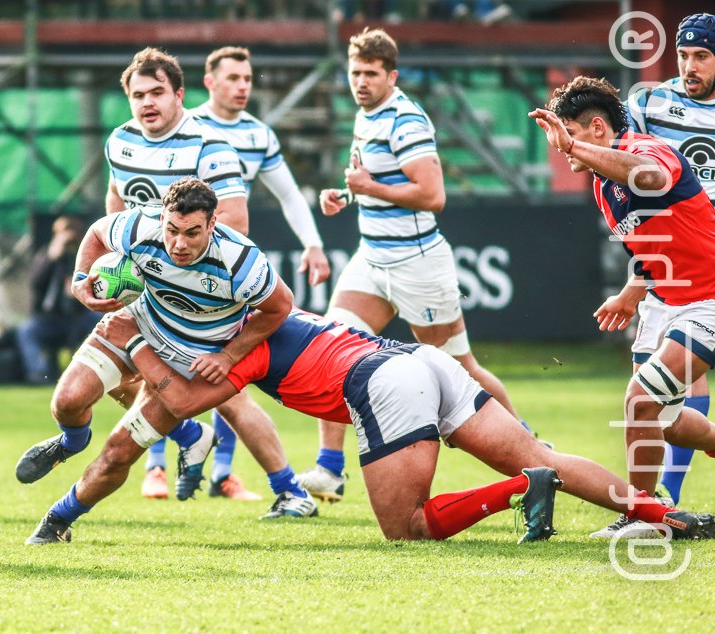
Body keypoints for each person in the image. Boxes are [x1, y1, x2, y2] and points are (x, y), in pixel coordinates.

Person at [93, 308, 715, 543]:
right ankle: (665, 516)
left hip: (390, 387)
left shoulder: (241, 346)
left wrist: (136, 347)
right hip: (419, 359)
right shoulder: (273, 307)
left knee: (407, 529)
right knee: (545, 455)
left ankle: (522, 490)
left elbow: (175, 403)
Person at [18, 178, 318, 545]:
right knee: (66, 402)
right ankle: (72, 441)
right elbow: (97, 233)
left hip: (190, 360)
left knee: (118, 453)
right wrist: (81, 279)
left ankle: (57, 520)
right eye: (172, 230)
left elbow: (279, 307)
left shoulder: (240, 260)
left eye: (192, 233)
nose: (179, 243)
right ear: (162, 218)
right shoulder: (140, 226)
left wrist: (228, 355)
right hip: (135, 323)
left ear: (212, 224)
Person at [298, 28, 523, 503]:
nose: (361, 81)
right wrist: (346, 195)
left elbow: (432, 195)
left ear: (391, 75)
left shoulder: (406, 120)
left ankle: (531, 447)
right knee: (331, 345)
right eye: (355, 73)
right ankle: (330, 467)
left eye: (371, 74)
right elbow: (377, 180)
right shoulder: (368, 114)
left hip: (417, 264)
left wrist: (367, 187)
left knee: (461, 367)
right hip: (373, 257)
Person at [98, 47, 311, 506]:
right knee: (117, 375)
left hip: (201, 295)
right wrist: (123, 262)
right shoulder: (120, 141)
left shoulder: (211, 144)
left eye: (157, 91)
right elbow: (115, 202)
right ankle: (185, 443)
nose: (148, 101)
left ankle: (288, 489)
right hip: (145, 286)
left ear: (180, 95)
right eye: (139, 94)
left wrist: (176, 264)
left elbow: (236, 222)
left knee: (226, 397)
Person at [530, 75, 715, 539]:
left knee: (640, 402)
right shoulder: (600, 185)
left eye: (569, 134)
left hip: (708, 299)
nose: (564, 149)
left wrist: (574, 145)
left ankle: (644, 517)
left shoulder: (650, 150)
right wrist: (634, 290)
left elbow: (649, 177)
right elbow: (653, 244)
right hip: (665, 299)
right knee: (665, 420)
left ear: (597, 128)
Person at [619, 12, 715, 517]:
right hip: (662, 262)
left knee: (664, 387)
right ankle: (658, 503)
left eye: (702, 55)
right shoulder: (649, 102)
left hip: (706, 268)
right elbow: (631, 181)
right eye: (683, 55)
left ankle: (663, 502)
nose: (690, 65)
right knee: (661, 406)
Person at [15, 215, 101, 384]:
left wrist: (78, 292)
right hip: (48, 319)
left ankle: (96, 372)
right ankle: (39, 373)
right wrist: (52, 257)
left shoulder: (84, 259)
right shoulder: (45, 257)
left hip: (78, 316)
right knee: (27, 331)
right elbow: (35, 282)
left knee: (102, 322)